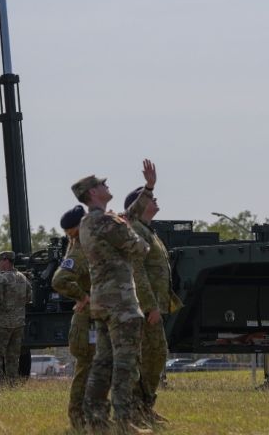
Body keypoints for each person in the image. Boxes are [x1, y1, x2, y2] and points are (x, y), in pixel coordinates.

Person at [73, 174, 152, 435]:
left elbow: (127, 218)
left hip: (102, 304)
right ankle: (123, 421)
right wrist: (140, 242)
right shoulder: (106, 221)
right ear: (92, 193)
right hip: (122, 305)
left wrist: (149, 188)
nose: (107, 186)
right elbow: (140, 247)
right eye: (102, 184)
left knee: (103, 363)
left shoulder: (88, 222)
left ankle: (95, 419)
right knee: (125, 365)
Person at [123, 159, 178, 424]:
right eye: (151, 198)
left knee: (155, 355)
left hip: (155, 306)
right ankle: (137, 409)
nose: (156, 202)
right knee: (148, 356)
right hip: (145, 307)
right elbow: (138, 271)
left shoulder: (148, 232)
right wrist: (149, 305)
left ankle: (145, 406)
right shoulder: (135, 230)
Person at [52, 205, 93, 430]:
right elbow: (59, 281)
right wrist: (82, 296)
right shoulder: (80, 250)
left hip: (93, 319)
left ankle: (91, 418)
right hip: (87, 322)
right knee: (86, 369)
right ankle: (77, 419)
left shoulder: (87, 247)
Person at [0, 251, 32, 382]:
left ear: (6, 261)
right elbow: (29, 297)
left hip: (3, 323)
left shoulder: (3, 279)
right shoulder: (23, 278)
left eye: (0, 260)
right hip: (19, 324)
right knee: (12, 355)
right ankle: (12, 383)